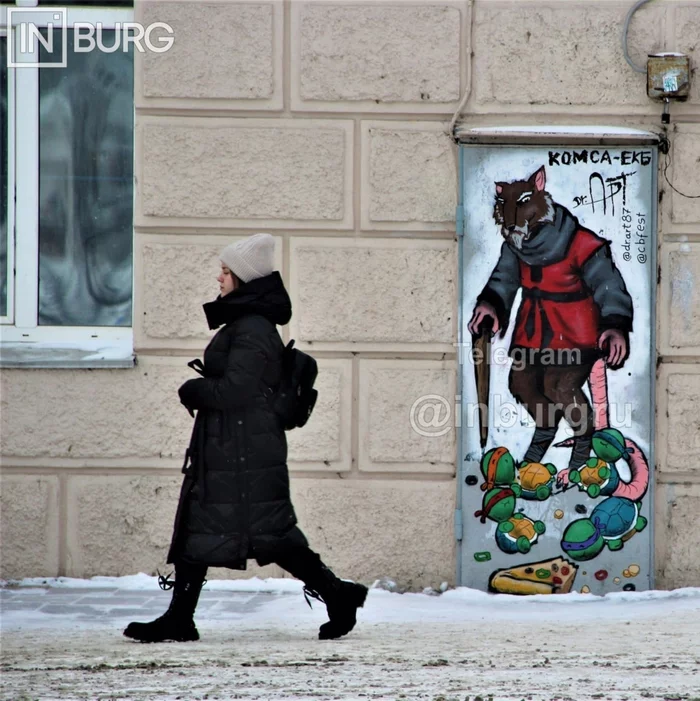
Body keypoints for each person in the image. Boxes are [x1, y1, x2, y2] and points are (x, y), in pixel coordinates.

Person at [123, 233, 368, 643]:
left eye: (225, 271)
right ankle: (180, 618)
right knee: (203, 529)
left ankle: (338, 594)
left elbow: (236, 391)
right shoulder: (247, 322)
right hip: (233, 448)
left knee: (269, 536)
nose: (218, 278)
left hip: (244, 452)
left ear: (243, 278)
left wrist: (193, 390)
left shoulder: (253, 327)